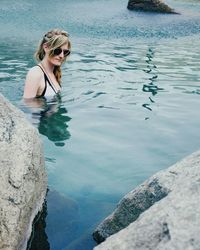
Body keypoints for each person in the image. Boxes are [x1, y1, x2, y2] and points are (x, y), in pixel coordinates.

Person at [23, 29, 71, 99]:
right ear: (46, 47)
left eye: (65, 52)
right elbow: (27, 105)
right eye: (57, 51)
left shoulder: (54, 73)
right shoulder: (35, 73)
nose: (62, 56)